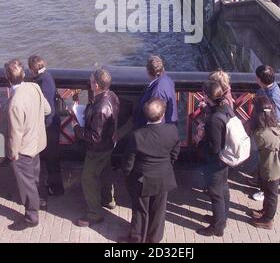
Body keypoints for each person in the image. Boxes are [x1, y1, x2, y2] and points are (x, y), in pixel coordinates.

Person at [121, 98, 180, 243]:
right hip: (163, 177)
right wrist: (169, 164)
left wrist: (128, 174)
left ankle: (137, 238)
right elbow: (175, 151)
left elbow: (129, 160)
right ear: (162, 114)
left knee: (140, 210)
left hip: (142, 179)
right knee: (159, 211)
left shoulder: (138, 135)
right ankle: (154, 239)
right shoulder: (172, 130)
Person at [5, 59, 51, 231]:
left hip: (24, 149)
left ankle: (32, 216)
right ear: (24, 74)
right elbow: (47, 110)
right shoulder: (35, 87)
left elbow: (15, 135)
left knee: (26, 183)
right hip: (37, 143)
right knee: (34, 177)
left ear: (7, 78)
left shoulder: (14, 104)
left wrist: (13, 154)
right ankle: (39, 201)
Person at [73, 69, 119, 227]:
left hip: (97, 150)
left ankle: (94, 213)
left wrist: (77, 129)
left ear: (97, 85)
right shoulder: (111, 95)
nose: (89, 82)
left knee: (88, 179)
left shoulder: (100, 108)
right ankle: (108, 199)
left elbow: (95, 137)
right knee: (105, 171)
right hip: (109, 144)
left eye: (91, 81)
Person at [196, 81, 234, 237]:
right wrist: (206, 108)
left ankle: (217, 228)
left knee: (215, 193)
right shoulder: (225, 108)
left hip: (215, 162)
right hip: (225, 159)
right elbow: (216, 112)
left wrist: (200, 139)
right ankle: (222, 217)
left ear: (206, 95)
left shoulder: (214, 121)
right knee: (223, 188)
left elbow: (214, 148)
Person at [28, 55, 64, 205]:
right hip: (53, 124)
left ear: (32, 69)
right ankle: (55, 186)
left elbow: (46, 108)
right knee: (52, 158)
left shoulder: (42, 82)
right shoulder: (47, 77)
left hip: (48, 127)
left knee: (51, 159)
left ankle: (56, 188)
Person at [251, 65, 280, 202]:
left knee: (268, 165)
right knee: (263, 162)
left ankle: (263, 191)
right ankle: (260, 182)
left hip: (269, 137)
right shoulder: (268, 89)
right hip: (265, 132)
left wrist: (274, 134)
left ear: (260, 79)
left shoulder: (273, 95)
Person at [249, 96, 280, 230]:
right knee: (268, 192)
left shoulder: (261, 134)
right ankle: (265, 212)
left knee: (271, 195)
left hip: (271, 169)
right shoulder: (276, 125)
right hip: (272, 166)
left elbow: (255, 145)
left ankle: (268, 219)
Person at [134, 56, 177, 129]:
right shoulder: (168, 80)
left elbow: (156, 115)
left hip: (157, 131)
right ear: (163, 69)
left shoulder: (157, 91)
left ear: (148, 72)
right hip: (168, 127)